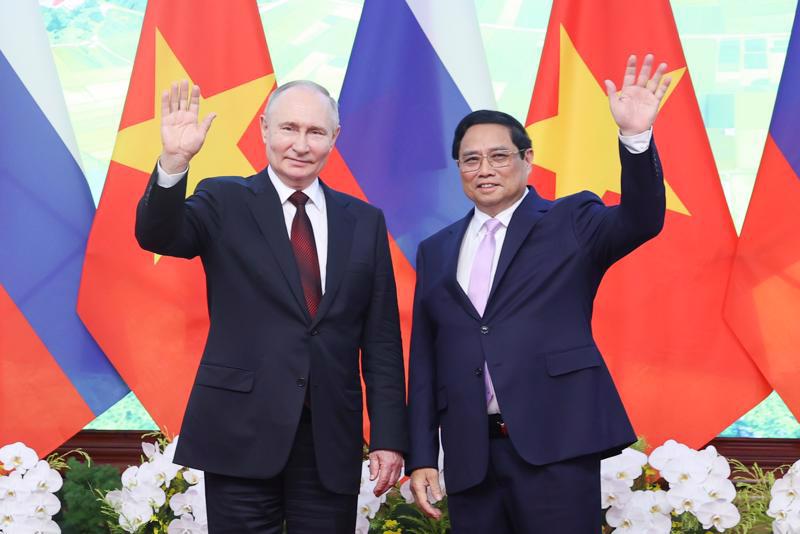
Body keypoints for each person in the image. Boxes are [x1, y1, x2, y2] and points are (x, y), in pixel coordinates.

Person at [405, 54, 671, 532]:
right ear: (459, 169)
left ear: (527, 160)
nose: (485, 168)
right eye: (471, 159)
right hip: (471, 457)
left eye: (499, 155)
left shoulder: (572, 221)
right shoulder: (435, 249)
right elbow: (425, 358)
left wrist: (635, 138)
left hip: (557, 448)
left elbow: (641, 219)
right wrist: (422, 456)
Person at [135, 79, 407, 533]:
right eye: (288, 128)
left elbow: (381, 340)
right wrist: (174, 162)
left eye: (316, 132)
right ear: (263, 129)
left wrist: (389, 438)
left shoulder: (363, 221)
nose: (300, 145)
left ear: (334, 138)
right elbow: (158, 235)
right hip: (240, 432)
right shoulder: (224, 199)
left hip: (329, 440)